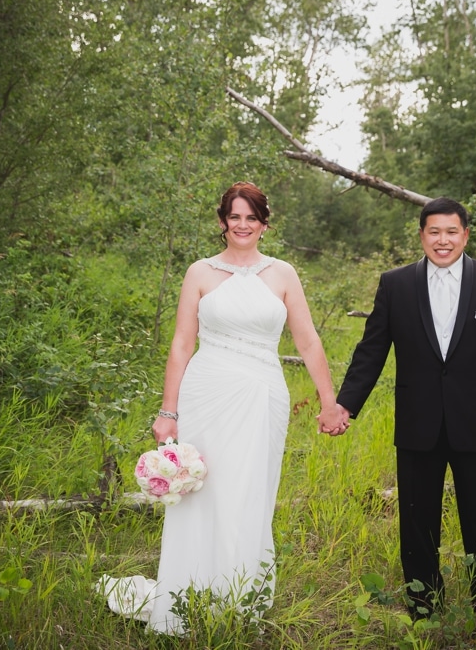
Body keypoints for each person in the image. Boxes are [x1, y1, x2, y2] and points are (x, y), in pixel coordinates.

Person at [99, 182, 345, 634]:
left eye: (252, 218)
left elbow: (308, 341)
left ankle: (238, 599)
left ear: (264, 225)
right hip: (206, 391)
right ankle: (185, 598)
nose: (243, 225)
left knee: (250, 491)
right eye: (235, 217)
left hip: (262, 393)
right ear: (222, 222)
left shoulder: (283, 274)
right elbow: (181, 342)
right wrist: (167, 411)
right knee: (203, 493)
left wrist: (329, 402)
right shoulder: (200, 272)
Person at [331, 196, 476, 618]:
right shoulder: (395, 284)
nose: (443, 240)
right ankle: (424, 606)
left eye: (451, 232)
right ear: (422, 235)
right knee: (417, 520)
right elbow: (371, 352)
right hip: (418, 423)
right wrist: (344, 405)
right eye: (434, 232)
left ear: (466, 235)